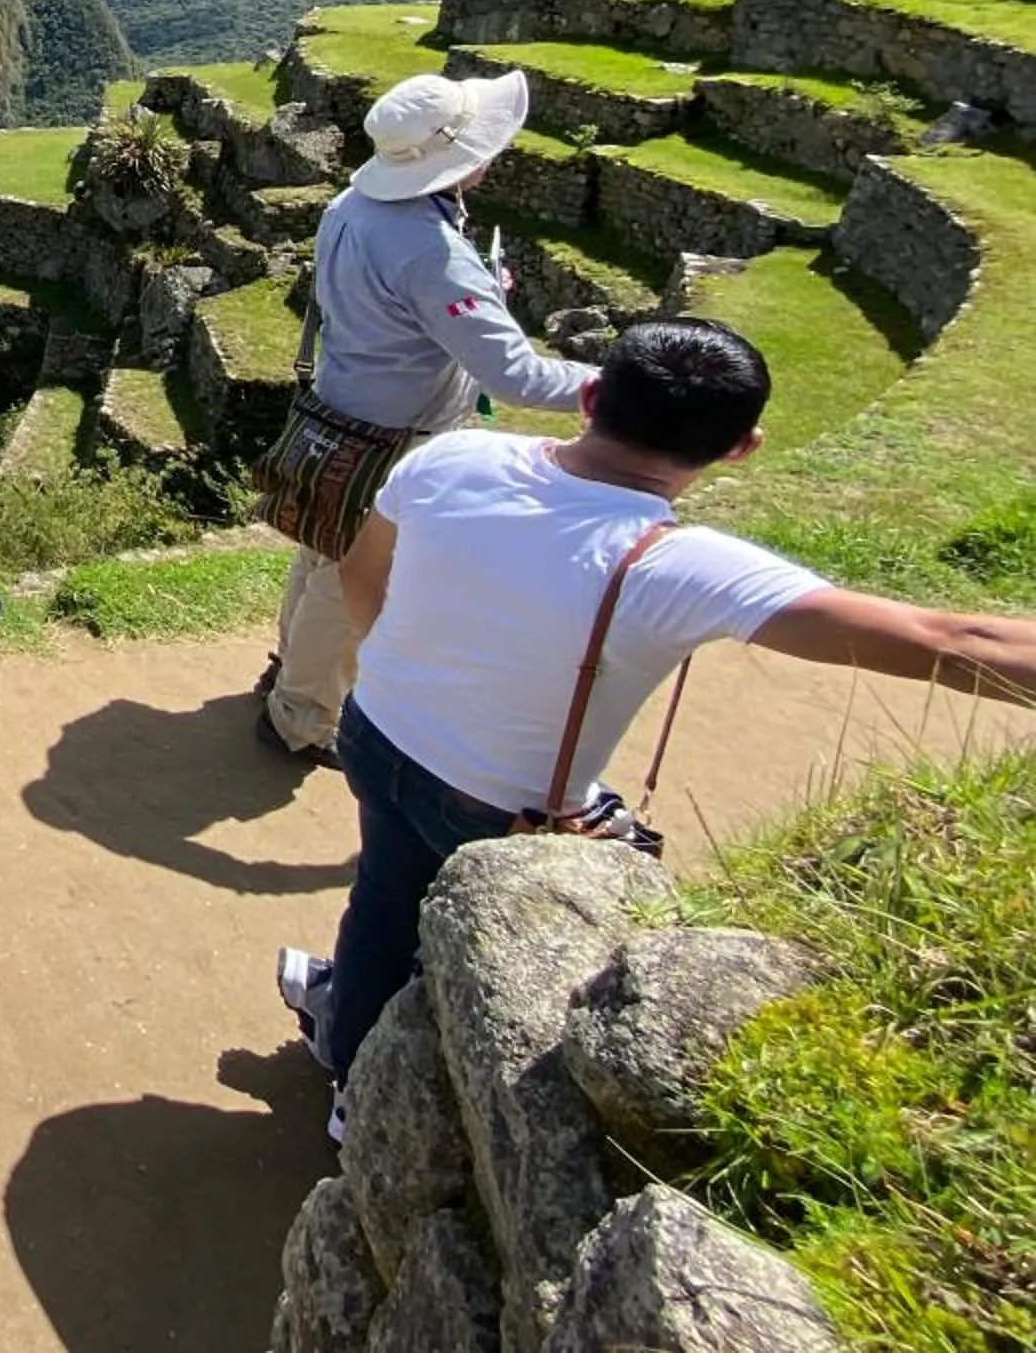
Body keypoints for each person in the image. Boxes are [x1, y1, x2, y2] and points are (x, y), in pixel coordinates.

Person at [276, 317, 1036, 1140]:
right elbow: (953, 645)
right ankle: (369, 1089)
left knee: (385, 891)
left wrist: (405, 673)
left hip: (378, 728)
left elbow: (360, 575)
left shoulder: (453, 458)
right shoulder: (677, 565)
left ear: (593, 397)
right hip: (494, 798)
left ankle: (344, 1019)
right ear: (743, 447)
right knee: (441, 945)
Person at [259, 68, 595, 763]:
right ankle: (301, 713)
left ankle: (290, 672)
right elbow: (517, 375)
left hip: (337, 408)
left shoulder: (352, 206)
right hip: (397, 437)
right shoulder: (432, 251)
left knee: (321, 551)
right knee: (352, 573)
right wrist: (616, 385)